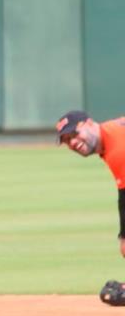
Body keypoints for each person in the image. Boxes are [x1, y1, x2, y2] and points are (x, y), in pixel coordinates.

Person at [57, 110, 125, 258]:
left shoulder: (117, 148)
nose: (73, 142)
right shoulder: (111, 131)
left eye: (75, 134)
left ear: (90, 123)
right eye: (67, 141)